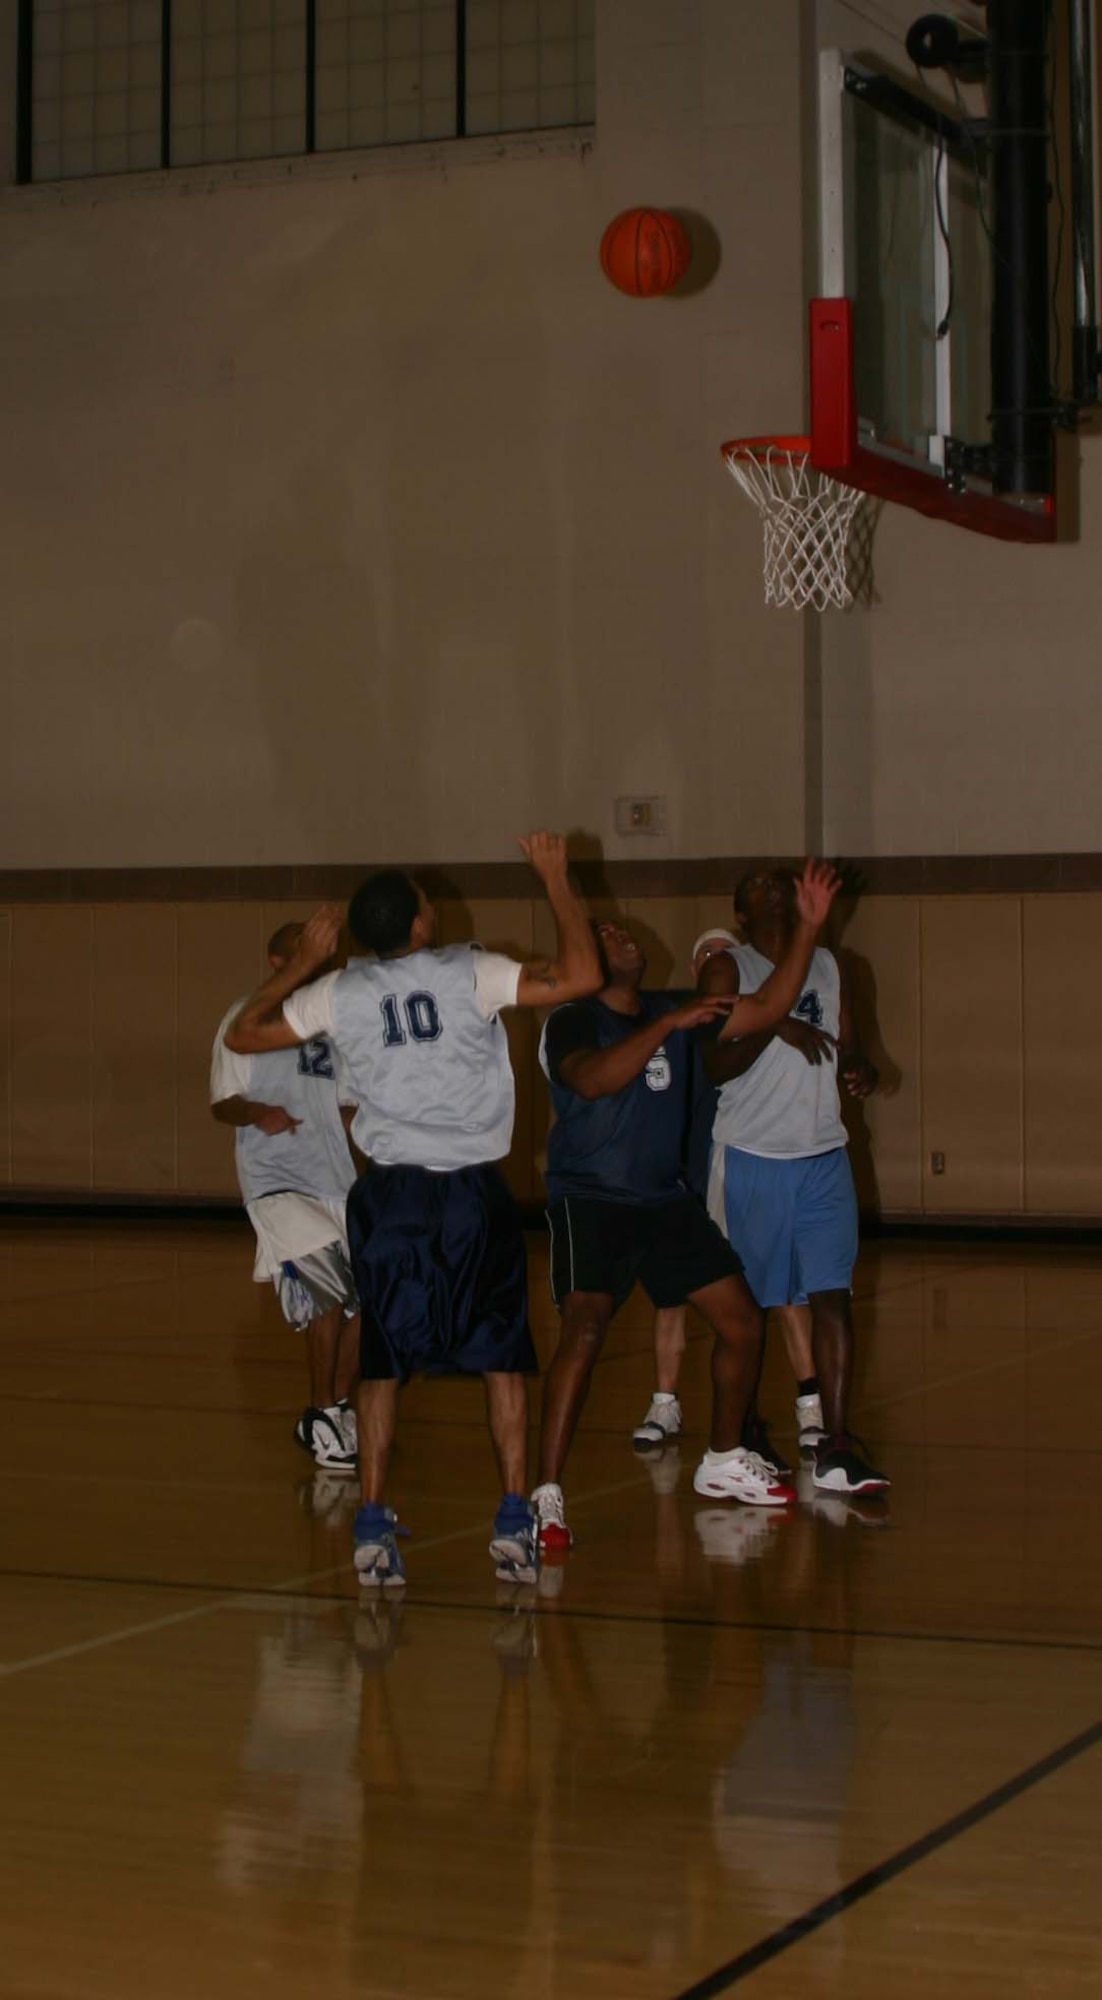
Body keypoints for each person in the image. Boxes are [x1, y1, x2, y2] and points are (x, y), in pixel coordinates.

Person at [223, 833, 602, 1589]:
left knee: (382, 1365)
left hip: (390, 1196)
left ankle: (370, 1527)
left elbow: (244, 1032)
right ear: (421, 925)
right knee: (502, 1359)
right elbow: (582, 974)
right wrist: (558, 880)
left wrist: (301, 962)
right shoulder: (470, 970)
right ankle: (509, 1521)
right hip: (468, 1191)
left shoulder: (347, 990)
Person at [532, 858, 841, 1552]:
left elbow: (766, 1006)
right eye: (605, 933)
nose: (622, 933)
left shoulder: (671, 1007)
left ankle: (724, 1457)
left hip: (662, 1200)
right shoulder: (572, 1021)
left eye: (623, 928)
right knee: (585, 1329)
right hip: (592, 1199)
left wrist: (809, 930)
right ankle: (545, 1493)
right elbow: (593, 1082)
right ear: (586, 959)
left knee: (740, 1321)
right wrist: (670, 1021)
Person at [700, 863, 888, 1497]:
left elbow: (849, 1046)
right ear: (742, 912)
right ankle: (744, 1431)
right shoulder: (730, 969)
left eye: (781, 882)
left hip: (822, 1155)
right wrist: (768, 1020)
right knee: (746, 1312)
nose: (773, 886)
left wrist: (859, 1067)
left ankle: (835, 1444)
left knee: (833, 1298)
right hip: (753, 1157)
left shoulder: (831, 967)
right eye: (758, 885)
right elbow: (714, 1065)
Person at [631, 929, 822, 1465]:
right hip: (683, 1172)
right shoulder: (675, 1024)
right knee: (672, 1295)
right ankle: (664, 1404)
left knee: (779, 1288)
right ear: (697, 970)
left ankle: (810, 1407)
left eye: (726, 956)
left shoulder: (759, 1021)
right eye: (708, 957)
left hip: (745, 1162)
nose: (718, 964)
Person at [211, 923, 360, 1474]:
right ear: (278, 959)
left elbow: (346, 1103)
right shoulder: (243, 1019)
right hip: (275, 1180)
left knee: (369, 1302)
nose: (322, 957)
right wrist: (256, 1113)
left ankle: (334, 1407)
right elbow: (222, 1102)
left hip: (337, 1182)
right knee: (325, 1293)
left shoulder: (331, 1025)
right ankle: (323, 1411)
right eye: (306, 950)